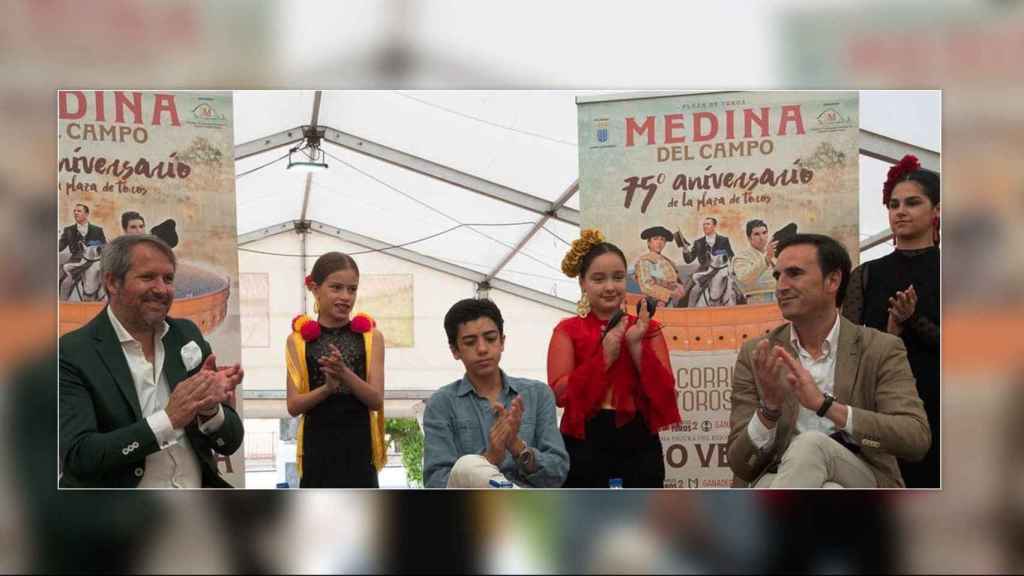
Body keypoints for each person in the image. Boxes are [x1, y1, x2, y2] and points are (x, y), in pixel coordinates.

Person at [727, 233, 931, 488]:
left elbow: (914, 437)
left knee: (811, 445)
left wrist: (826, 407)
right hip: (780, 475)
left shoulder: (879, 348)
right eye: (778, 276)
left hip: (860, 475)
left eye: (795, 273)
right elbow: (739, 462)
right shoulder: (758, 353)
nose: (781, 286)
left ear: (833, 280)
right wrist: (769, 409)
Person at [59, 234, 244, 487]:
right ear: (112, 282)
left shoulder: (186, 335)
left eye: (168, 279)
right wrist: (168, 420)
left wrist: (209, 409)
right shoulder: (71, 352)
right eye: (147, 277)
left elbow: (230, 442)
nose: (161, 289)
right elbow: (80, 457)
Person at [548, 229, 681, 488]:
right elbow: (560, 394)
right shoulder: (567, 330)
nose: (610, 287)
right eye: (598, 279)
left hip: (639, 442)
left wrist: (635, 346)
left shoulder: (647, 328)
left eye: (618, 277)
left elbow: (666, 396)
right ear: (582, 283)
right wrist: (605, 356)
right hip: (584, 440)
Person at [842, 155, 940, 488]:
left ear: (936, 210)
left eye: (913, 202)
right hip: (881, 403)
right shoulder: (866, 275)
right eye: (894, 204)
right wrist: (890, 332)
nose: (900, 211)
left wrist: (915, 320)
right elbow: (848, 350)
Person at [422, 298, 569, 488]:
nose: (482, 349)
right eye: (470, 342)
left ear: (502, 342)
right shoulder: (441, 404)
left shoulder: (537, 394)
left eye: (490, 338)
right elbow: (436, 483)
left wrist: (518, 448)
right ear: (455, 350)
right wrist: (490, 458)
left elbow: (557, 473)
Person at [285, 251, 386, 488]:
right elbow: (293, 406)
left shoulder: (371, 337)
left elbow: (376, 400)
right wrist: (327, 389)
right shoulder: (298, 340)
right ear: (315, 288)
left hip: (359, 446)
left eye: (352, 289)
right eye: (336, 288)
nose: (345, 297)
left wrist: (344, 374)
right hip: (317, 447)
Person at [634, 225, 686, 307]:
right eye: (655, 239)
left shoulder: (668, 261)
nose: (659, 242)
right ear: (649, 242)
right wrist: (670, 294)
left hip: (673, 300)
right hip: (656, 303)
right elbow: (646, 286)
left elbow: (675, 280)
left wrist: (678, 287)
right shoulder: (644, 261)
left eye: (662, 240)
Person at [732, 219, 778, 304]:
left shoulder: (775, 254)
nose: (762, 237)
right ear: (749, 238)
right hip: (757, 300)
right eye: (757, 234)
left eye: (764, 233)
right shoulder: (741, 257)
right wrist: (766, 259)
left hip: (779, 298)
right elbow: (744, 278)